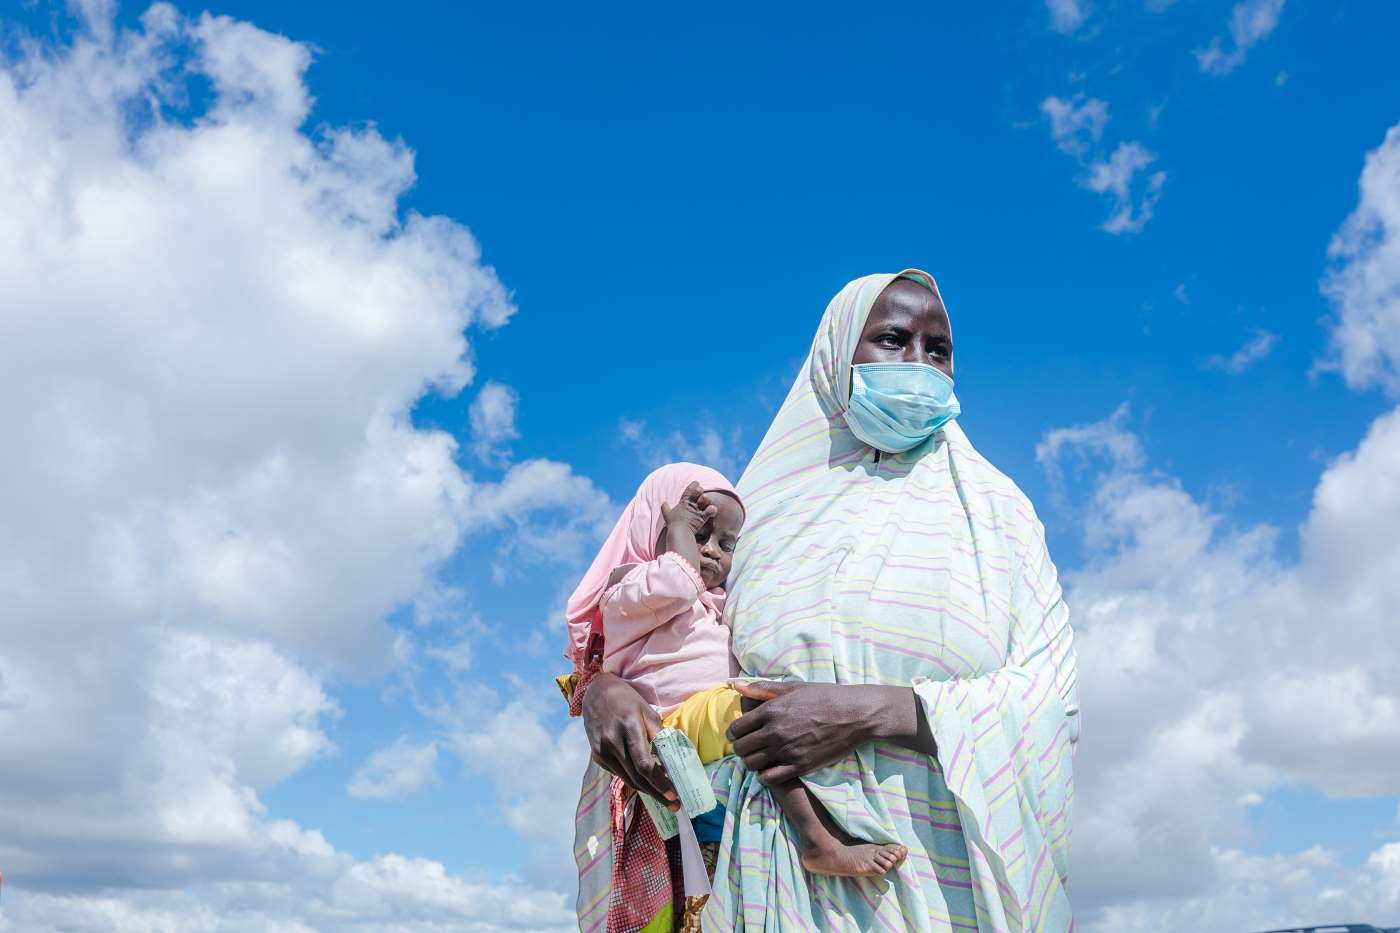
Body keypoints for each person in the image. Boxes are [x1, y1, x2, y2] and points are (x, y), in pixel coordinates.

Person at [578, 270, 1080, 932]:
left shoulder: (1000, 517)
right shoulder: (761, 516)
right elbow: (688, 642)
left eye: (939, 350)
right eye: (894, 340)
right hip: (765, 884)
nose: (920, 366)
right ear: (837, 356)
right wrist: (601, 688)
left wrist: (877, 710)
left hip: (942, 881)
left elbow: (1051, 696)